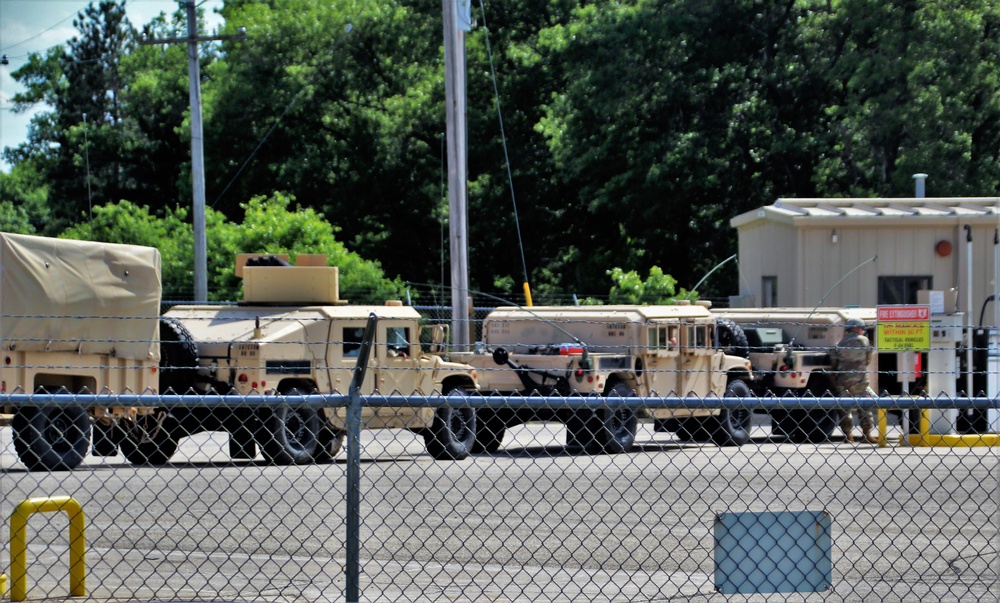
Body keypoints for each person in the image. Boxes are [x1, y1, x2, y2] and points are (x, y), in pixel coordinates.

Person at [831, 318, 876, 443]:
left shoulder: (840, 343)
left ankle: (848, 435)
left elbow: (834, 362)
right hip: (860, 379)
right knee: (864, 406)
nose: (863, 331)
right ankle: (867, 434)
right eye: (861, 328)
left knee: (845, 408)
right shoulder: (864, 341)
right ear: (856, 328)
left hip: (843, 379)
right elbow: (868, 359)